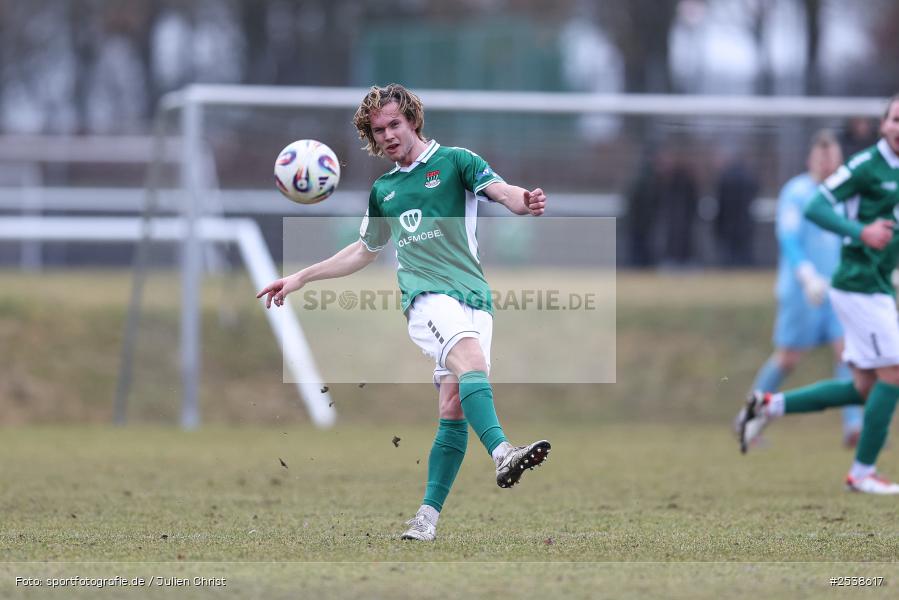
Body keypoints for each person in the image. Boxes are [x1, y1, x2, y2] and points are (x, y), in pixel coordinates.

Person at [257, 84, 551, 539]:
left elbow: (502, 191)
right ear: (372, 139)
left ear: (412, 120)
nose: (389, 135)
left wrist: (524, 203)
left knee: (454, 405)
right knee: (471, 364)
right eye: (379, 131)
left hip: (474, 297)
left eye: (395, 123)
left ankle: (426, 519)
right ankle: (502, 453)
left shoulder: (456, 161)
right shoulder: (384, 191)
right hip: (424, 298)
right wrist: (299, 278)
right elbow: (363, 250)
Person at [738, 93, 899, 494]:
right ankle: (862, 471)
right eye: (896, 119)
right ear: (883, 125)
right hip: (852, 285)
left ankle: (768, 405)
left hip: (873, 285)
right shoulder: (864, 167)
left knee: (864, 384)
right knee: (892, 372)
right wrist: (860, 234)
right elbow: (813, 210)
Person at [746, 130, 862, 448]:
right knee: (787, 359)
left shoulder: (845, 193)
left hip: (838, 289)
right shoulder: (796, 192)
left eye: (832, 158)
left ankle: (853, 426)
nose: (827, 164)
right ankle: (749, 416)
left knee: (847, 354)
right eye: (821, 158)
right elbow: (789, 237)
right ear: (811, 159)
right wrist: (806, 274)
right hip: (802, 291)